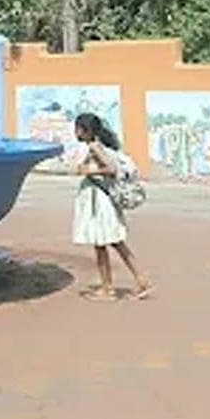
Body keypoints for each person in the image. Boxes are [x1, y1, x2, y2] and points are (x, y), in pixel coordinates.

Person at [71, 112, 152, 300]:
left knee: (101, 244)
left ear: (85, 130)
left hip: (99, 201)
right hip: (102, 199)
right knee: (115, 242)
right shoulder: (100, 146)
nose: (75, 132)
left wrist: (90, 170)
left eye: (78, 128)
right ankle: (141, 279)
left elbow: (111, 169)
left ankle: (108, 288)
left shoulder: (95, 147)